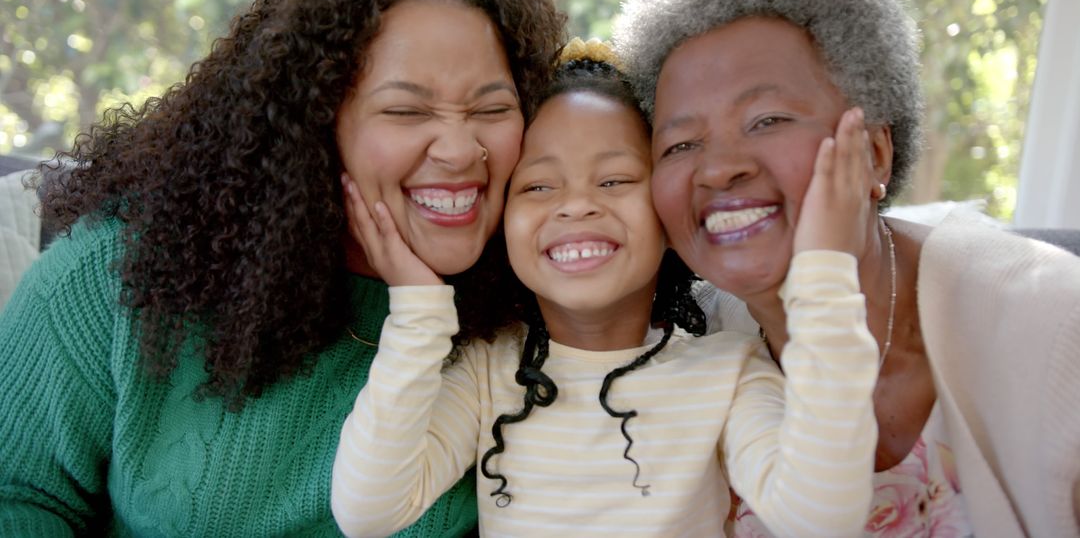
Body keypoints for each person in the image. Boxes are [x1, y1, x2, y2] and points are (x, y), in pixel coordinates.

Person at [0, 0, 563, 535]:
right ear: (312, 123)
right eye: (405, 112)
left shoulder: (543, 305)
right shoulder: (122, 272)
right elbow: (17, 494)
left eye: (492, 111)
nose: (461, 150)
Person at [330, 41, 883, 537]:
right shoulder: (484, 374)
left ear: (667, 211)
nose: (576, 205)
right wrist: (417, 311)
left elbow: (821, 518)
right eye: (538, 185)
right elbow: (367, 512)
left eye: (614, 180)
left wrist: (822, 268)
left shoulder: (729, 370)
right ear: (504, 225)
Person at [614, 0, 1080, 536]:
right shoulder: (686, 346)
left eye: (768, 120)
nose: (718, 168)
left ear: (876, 153)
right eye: (681, 144)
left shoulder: (1053, 322)